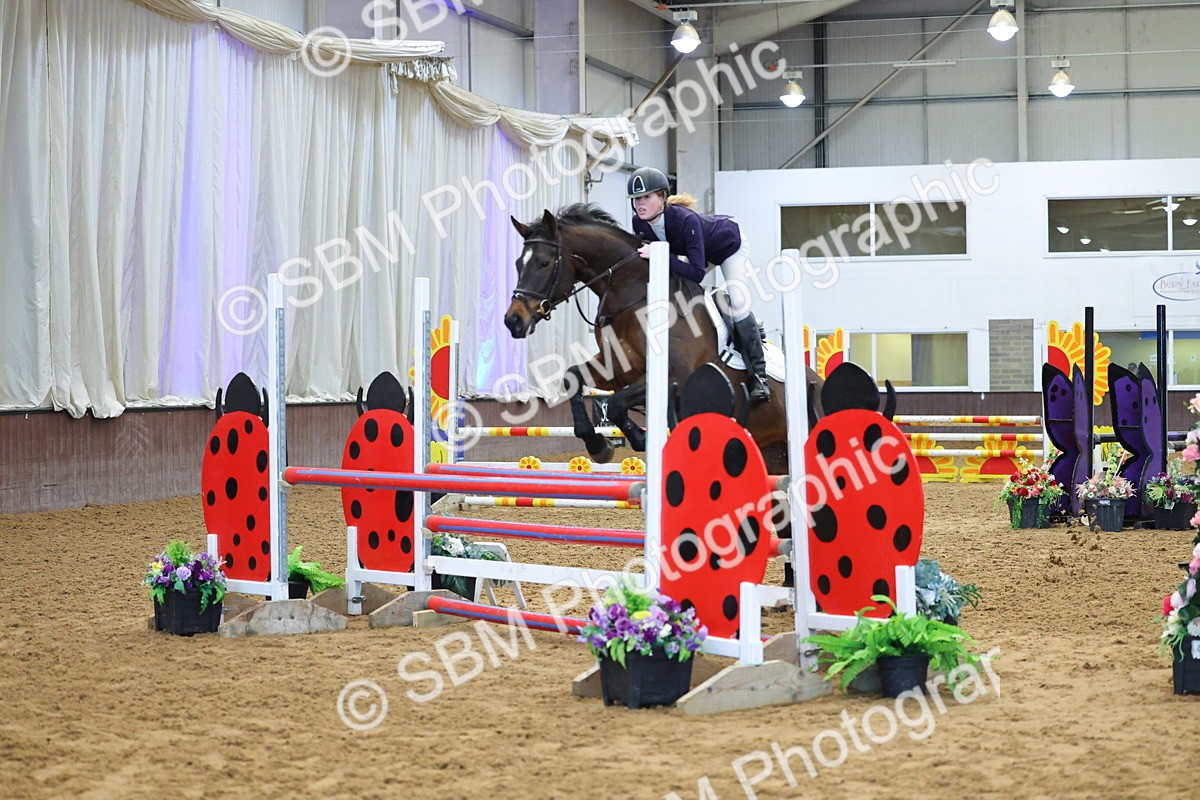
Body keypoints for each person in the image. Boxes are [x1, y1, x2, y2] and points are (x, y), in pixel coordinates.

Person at [626, 166, 771, 406]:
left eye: (647, 197)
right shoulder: (639, 224)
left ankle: (760, 377)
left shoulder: (685, 220)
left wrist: (660, 255)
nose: (640, 204)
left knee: (737, 301)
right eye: (637, 199)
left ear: (662, 198)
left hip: (728, 246)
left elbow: (696, 273)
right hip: (700, 254)